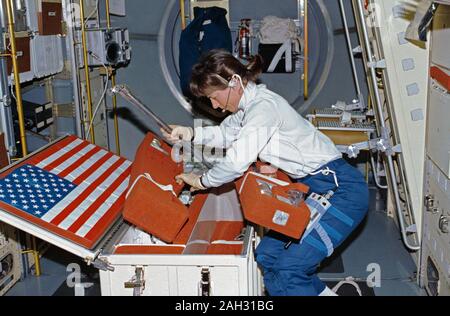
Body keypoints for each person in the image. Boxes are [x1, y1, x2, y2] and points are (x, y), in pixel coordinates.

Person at [161, 49, 369, 296]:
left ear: (235, 82)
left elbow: (237, 161)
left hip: (342, 191)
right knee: (268, 255)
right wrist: (191, 133)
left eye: (214, 97)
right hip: (318, 189)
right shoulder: (248, 108)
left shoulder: (263, 108)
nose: (215, 105)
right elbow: (226, 133)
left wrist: (203, 181)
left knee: (290, 269)